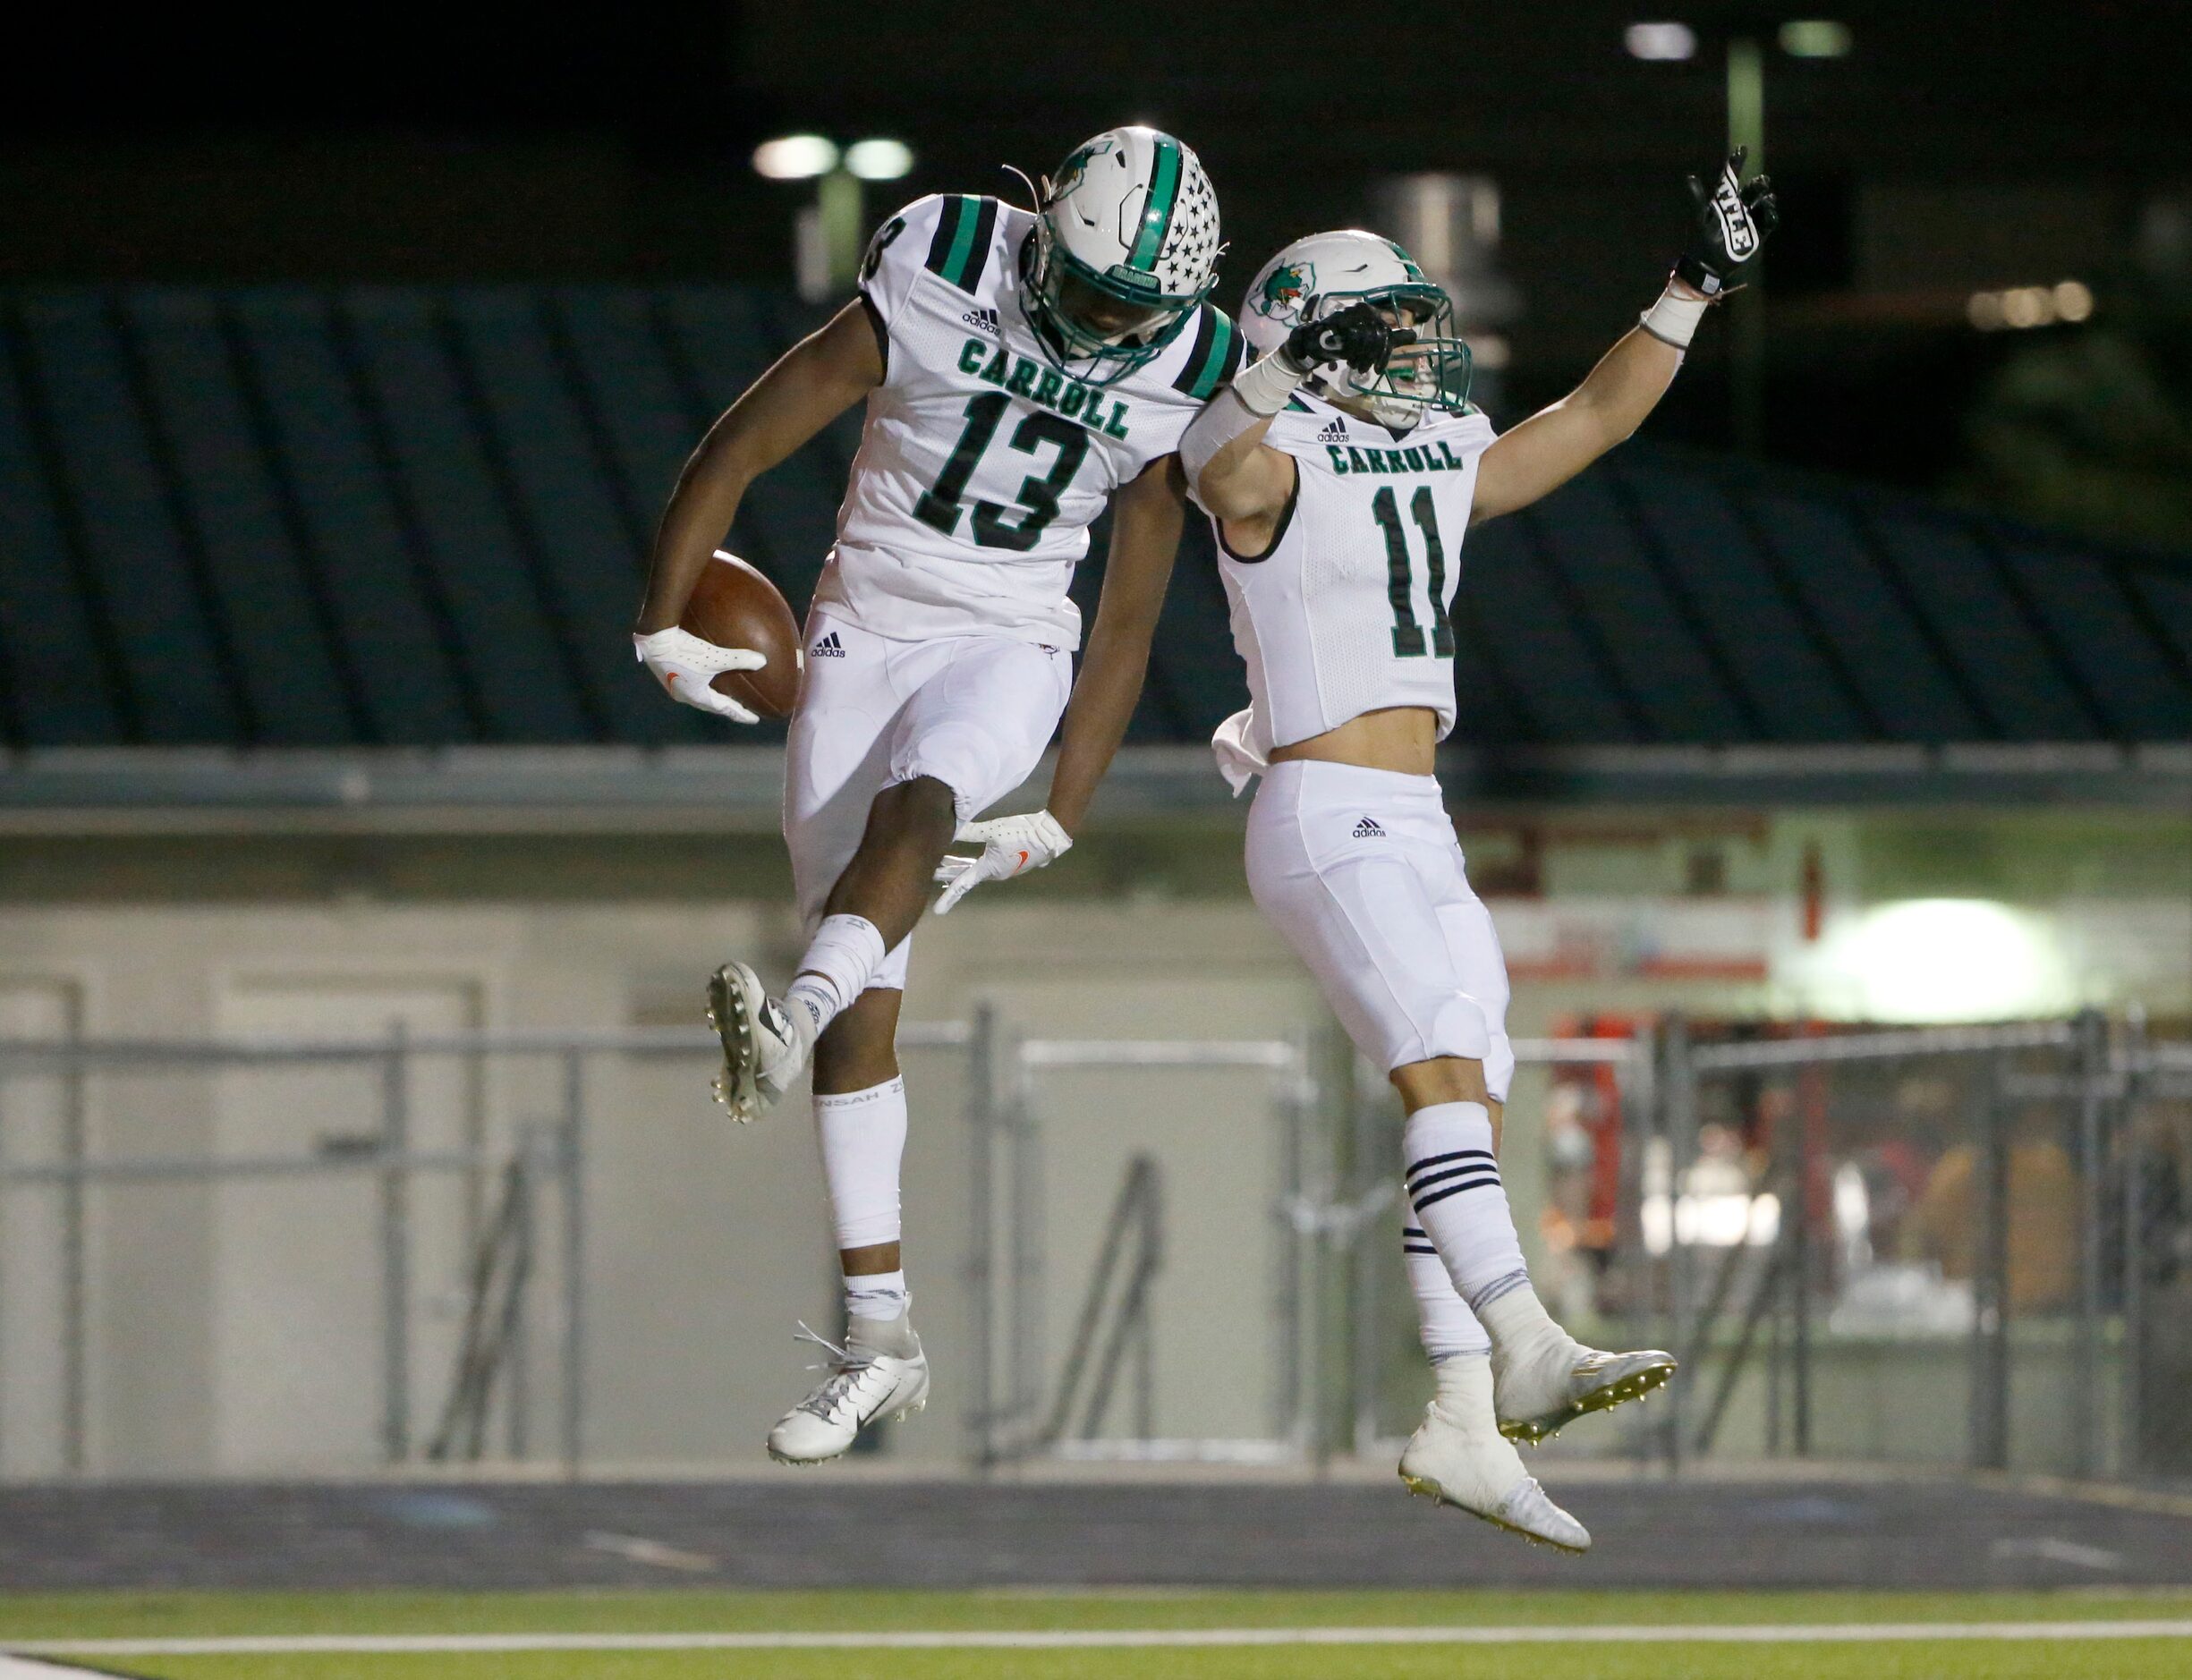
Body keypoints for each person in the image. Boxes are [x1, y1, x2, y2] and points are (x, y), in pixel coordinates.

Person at [1175, 152, 1779, 1550]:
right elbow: (1214, 463)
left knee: (1476, 1082)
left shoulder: (1431, 451)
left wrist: (1690, 289)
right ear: (1304, 349)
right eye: (1379, 335)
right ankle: (1520, 1340)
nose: (1411, 355)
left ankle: (1457, 1414)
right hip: (1323, 807)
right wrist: (1267, 379)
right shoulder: (1266, 461)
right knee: (1439, 1056)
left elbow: (1593, 416)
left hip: (1414, 813)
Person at [630, 126, 1241, 1464]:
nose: (1103, 329)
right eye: (1088, 292)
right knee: (871, 1019)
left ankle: (784, 1017)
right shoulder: (941, 262)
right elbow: (735, 448)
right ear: (1040, 231)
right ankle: (878, 1336)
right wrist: (658, 621)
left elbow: (1128, 619)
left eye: (1135, 311)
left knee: (923, 801)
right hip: (861, 627)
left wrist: (1065, 802)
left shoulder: (1190, 372)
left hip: (1011, 640)